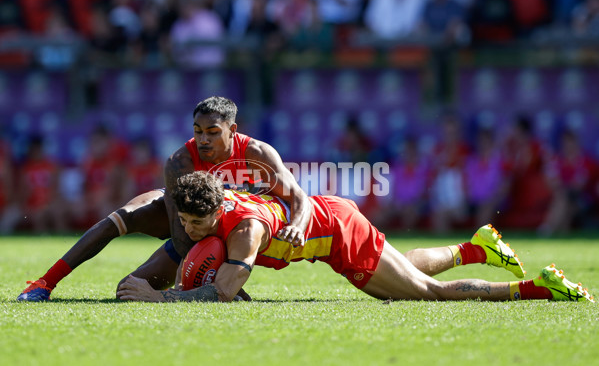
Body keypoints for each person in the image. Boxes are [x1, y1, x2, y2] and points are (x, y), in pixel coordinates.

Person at [117, 171, 594, 303]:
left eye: (196, 225)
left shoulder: (243, 229)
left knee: (423, 293)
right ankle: (477, 247)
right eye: (185, 222)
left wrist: (159, 299)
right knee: (402, 269)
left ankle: (538, 287)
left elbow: (224, 290)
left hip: (341, 237)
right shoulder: (218, 202)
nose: (189, 232)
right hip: (333, 217)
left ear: (216, 210)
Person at [17, 96, 312, 301]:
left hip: (237, 230)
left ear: (233, 130)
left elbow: (298, 196)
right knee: (123, 240)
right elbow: (181, 227)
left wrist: (297, 225)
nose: (203, 139)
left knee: (134, 290)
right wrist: (208, 281)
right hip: (191, 232)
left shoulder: (257, 153)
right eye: (198, 131)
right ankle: (44, 283)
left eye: (212, 132)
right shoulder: (180, 162)